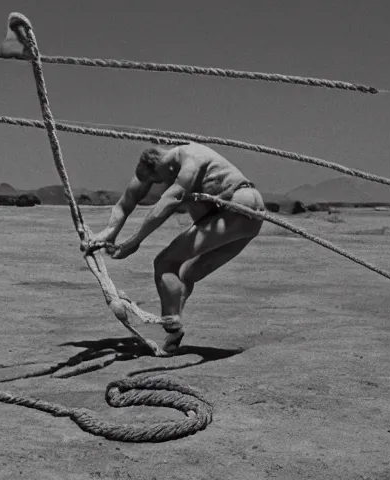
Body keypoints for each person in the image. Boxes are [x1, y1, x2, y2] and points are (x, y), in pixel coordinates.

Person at [86, 143, 265, 353]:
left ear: (164, 166)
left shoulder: (189, 159)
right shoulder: (161, 166)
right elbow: (127, 202)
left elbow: (170, 200)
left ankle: (172, 328)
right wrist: (108, 233)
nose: (159, 183)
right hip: (250, 218)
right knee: (188, 274)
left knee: (164, 262)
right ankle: (174, 334)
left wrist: (134, 242)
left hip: (238, 207)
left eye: (158, 179)